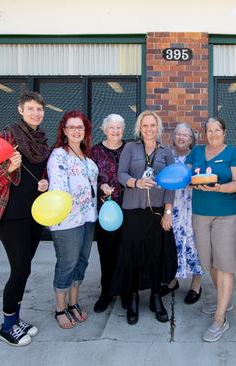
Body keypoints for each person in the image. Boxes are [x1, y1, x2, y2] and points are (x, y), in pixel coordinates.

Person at [0, 91, 49, 347]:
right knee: (19, 268)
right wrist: (8, 167)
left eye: (40, 110)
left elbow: (40, 173)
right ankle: (7, 326)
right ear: (21, 110)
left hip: (35, 214)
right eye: (31, 109)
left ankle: (17, 318)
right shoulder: (8, 136)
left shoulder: (41, 141)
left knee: (26, 267)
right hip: (11, 214)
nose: (36, 113)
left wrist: (45, 183)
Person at [113, 110, 177, 325]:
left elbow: (172, 184)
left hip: (157, 213)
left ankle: (155, 297)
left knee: (156, 256)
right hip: (132, 210)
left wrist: (168, 212)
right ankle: (132, 298)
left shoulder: (166, 152)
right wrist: (136, 182)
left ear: (158, 128)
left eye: (152, 125)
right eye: (145, 125)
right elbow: (121, 174)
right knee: (132, 256)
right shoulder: (130, 148)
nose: (149, 129)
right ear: (139, 128)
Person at [186, 117, 236, 342]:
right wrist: (190, 182)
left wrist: (218, 188)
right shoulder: (197, 152)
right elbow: (188, 177)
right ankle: (224, 299)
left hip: (226, 214)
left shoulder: (233, 153)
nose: (213, 134)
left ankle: (220, 318)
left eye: (217, 130)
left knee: (225, 265)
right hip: (200, 214)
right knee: (208, 262)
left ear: (224, 131)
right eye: (209, 131)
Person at [47, 111, 97, 329]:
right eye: (72, 127)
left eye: (80, 127)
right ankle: (60, 308)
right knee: (67, 264)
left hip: (88, 218)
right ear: (64, 131)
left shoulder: (87, 158)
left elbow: (90, 187)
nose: (77, 131)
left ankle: (73, 303)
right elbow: (59, 188)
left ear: (85, 131)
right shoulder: (59, 155)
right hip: (67, 221)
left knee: (82, 262)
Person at [160, 123, 203, 304]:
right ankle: (172, 281)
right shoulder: (167, 156)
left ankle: (196, 284)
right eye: (178, 134)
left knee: (196, 244)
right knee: (172, 243)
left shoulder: (198, 157)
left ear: (192, 139)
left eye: (186, 135)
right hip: (174, 208)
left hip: (195, 208)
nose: (181, 137)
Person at [91, 114, 126, 313]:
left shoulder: (129, 148)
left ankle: (124, 290)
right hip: (105, 211)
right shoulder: (95, 151)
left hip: (128, 209)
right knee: (107, 252)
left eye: (119, 127)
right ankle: (106, 292)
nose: (115, 131)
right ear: (104, 130)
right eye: (111, 127)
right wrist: (100, 185)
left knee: (125, 252)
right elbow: (88, 177)